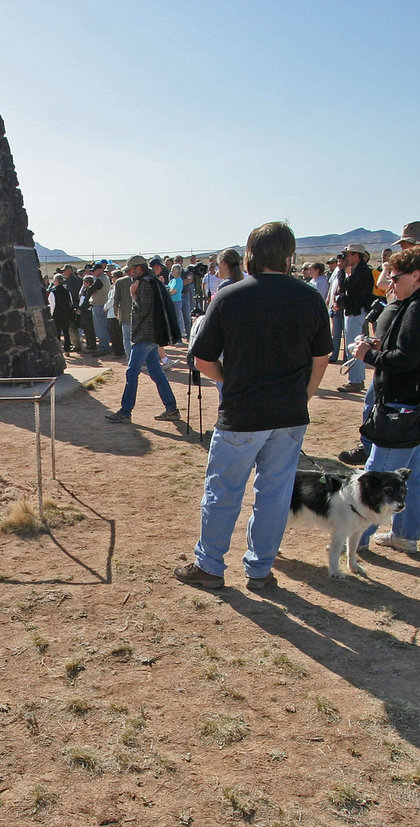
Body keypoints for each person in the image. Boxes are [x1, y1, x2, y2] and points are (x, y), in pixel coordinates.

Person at [173, 222, 331, 590]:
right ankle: (259, 571)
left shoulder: (229, 297)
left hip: (242, 414)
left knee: (223, 491)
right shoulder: (310, 298)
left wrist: (232, 380)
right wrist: (302, 396)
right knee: (274, 497)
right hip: (289, 415)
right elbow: (320, 359)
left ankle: (210, 566)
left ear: (250, 255)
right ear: (289, 256)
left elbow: (202, 360)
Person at [347, 243, 420, 554]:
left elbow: (405, 359)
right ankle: (404, 535)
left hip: (408, 403)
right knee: (414, 473)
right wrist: (381, 346)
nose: (389, 283)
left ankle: (356, 541)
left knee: (377, 475)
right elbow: (413, 351)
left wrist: (370, 354)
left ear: (416, 275)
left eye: (394, 277)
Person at [105, 255, 182, 424]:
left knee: (132, 372)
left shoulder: (145, 283)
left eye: (131, 270)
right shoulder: (151, 280)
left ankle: (125, 411)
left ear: (138, 268)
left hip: (146, 335)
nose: (129, 273)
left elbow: (143, 309)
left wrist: (133, 295)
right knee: (156, 372)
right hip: (151, 335)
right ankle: (171, 409)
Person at [333, 245, 375, 394]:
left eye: (348, 255)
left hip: (355, 312)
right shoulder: (361, 270)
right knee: (354, 347)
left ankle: (356, 381)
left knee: (354, 347)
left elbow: (344, 286)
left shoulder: (361, 271)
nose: (346, 258)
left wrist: (341, 271)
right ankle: (357, 380)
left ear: (356, 256)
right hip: (355, 311)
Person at [47, 272, 77, 353]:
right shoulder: (67, 291)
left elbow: (52, 306)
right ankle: (67, 349)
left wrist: (52, 316)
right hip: (66, 314)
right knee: (66, 332)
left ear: (56, 281)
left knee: (57, 333)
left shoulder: (53, 292)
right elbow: (70, 303)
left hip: (57, 315)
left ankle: (58, 350)